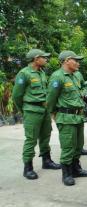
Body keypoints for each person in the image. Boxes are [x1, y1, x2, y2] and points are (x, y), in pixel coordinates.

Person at [12, 49, 61, 180]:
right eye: (44, 57)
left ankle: (47, 161)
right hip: (32, 110)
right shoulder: (24, 73)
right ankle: (28, 168)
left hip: (44, 110)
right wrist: (24, 110)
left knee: (46, 136)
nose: (46, 59)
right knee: (31, 139)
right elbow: (16, 95)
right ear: (36, 59)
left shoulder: (41, 72)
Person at [47, 51, 87, 186]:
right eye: (76, 60)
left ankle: (76, 169)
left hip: (78, 117)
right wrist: (54, 114)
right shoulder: (57, 77)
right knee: (68, 147)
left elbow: (80, 92)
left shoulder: (74, 76)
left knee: (78, 146)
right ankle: (66, 174)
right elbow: (50, 100)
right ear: (66, 60)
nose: (78, 63)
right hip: (66, 117)